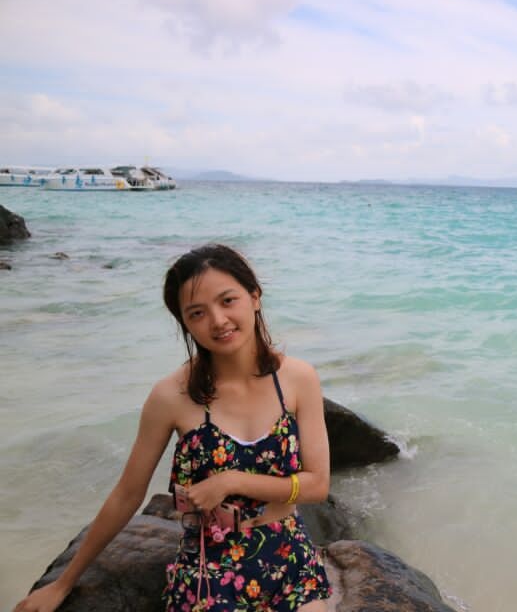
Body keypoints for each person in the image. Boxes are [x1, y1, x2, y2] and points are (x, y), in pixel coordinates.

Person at [16, 244, 332, 612]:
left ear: (254, 297)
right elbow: (127, 494)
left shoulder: (297, 378)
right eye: (197, 313)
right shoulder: (171, 396)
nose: (218, 320)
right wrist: (63, 582)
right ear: (184, 322)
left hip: (289, 556)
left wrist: (230, 481)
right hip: (210, 562)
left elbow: (317, 486)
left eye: (228, 300)